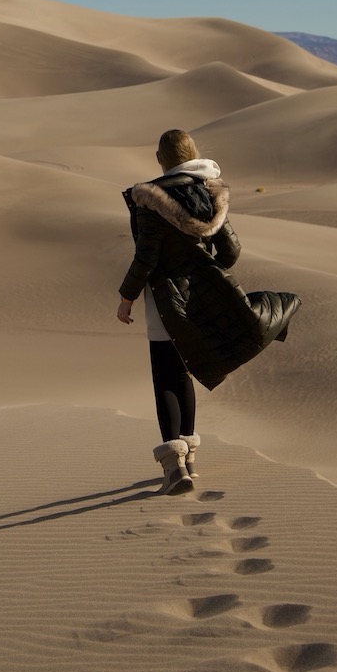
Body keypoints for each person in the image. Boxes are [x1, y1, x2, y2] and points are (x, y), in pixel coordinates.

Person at [117, 129, 301, 494]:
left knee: (166, 376)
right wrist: (205, 271)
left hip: (166, 301)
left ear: (160, 160)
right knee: (184, 373)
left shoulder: (149, 199)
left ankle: (174, 469)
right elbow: (231, 251)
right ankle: (191, 460)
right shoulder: (211, 193)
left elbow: (147, 256)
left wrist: (127, 296)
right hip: (204, 297)